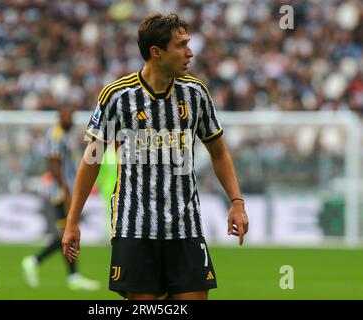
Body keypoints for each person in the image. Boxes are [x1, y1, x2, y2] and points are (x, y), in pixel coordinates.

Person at [62, 12, 248, 300]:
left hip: (186, 227)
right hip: (134, 228)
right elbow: (92, 159)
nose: (190, 52)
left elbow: (219, 152)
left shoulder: (196, 93)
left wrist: (237, 202)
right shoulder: (118, 96)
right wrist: (73, 220)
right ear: (156, 53)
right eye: (181, 45)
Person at [22, 107, 100, 291]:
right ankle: (35, 261)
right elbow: (53, 163)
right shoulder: (56, 134)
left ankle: (71, 276)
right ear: (59, 118)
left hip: (67, 189)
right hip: (61, 192)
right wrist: (66, 189)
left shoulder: (64, 135)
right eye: (67, 116)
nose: (70, 119)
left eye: (71, 116)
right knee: (67, 232)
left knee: (67, 232)